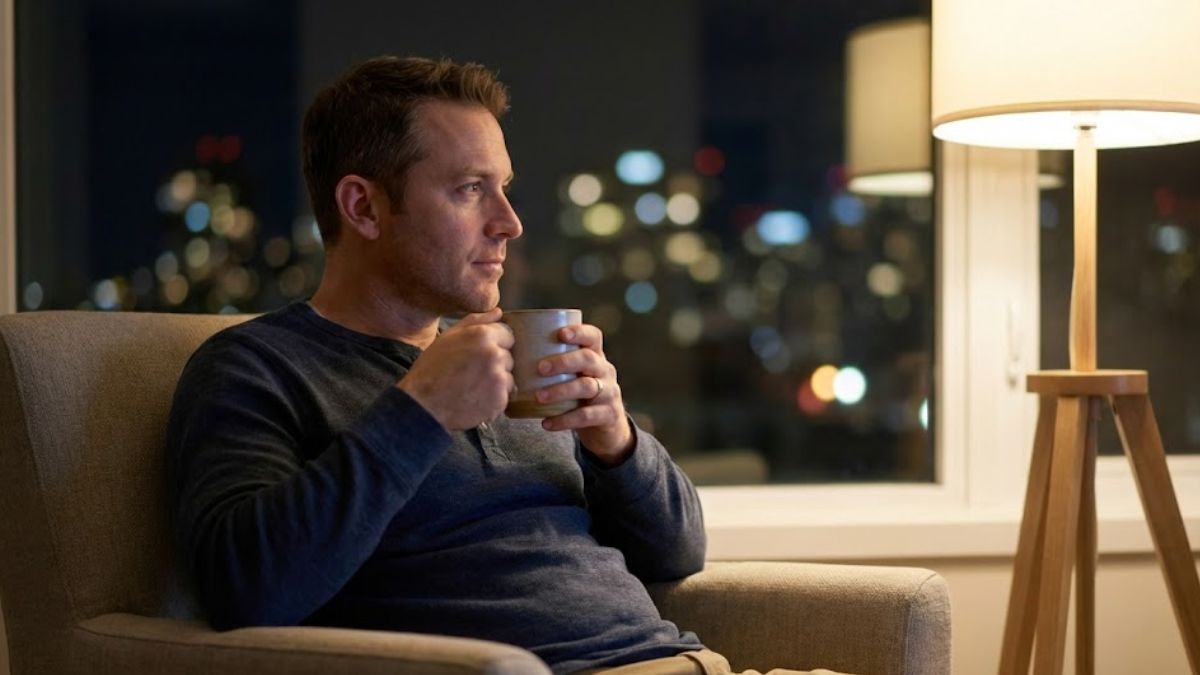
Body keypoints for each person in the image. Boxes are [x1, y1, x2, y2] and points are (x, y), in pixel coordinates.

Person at [167, 55, 842, 675]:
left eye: (505, 188)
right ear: (363, 206)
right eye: (470, 189)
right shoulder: (257, 368)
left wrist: (616, 442)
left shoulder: (515, 358)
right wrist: (421, 410)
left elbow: (679, 552)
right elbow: (246, 589)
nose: (510, 223)